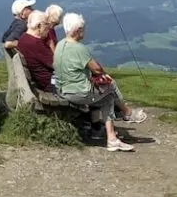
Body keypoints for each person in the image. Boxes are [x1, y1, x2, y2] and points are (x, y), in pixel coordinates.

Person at [54, 12, 147, 152]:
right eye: (83, 29)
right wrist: (103, 74)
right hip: (78, 92)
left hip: (62, 90)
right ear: (78, 30)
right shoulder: (79, 48)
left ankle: (108, 134)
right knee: (110, 87)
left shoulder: (60, 44)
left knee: (106, 96)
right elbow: (96, 69)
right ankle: (127, 114)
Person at [17, 10, 56, 91]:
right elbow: (55, 64)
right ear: (39, 26)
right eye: (46, 25)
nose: (49, 28)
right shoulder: (35, 43)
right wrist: (51, 45)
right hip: (50, 84)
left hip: (40, 81)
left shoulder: (23, 38)